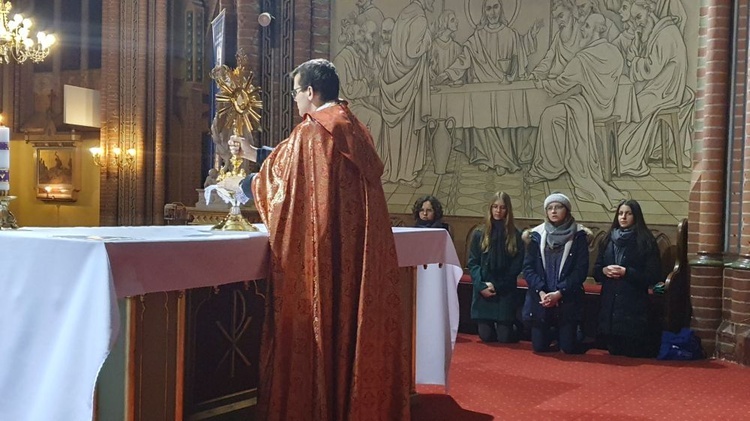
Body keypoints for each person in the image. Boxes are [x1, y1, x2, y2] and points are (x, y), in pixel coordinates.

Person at [227, 59, 409, 421]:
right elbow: (295, 165)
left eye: (296, 92)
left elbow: (282, 186)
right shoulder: (354, 127)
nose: (295, 100)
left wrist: (243, 184)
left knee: (320, 320)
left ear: (310, 92)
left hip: (322, 254)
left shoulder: (311, 131)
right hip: (354, 253)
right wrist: (255, 154)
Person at [528, 13, 626, 211]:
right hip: (606, 107)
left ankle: (547, 167)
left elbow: (560, 84)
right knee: (560, 112)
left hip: (587, 109)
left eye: (587, 26)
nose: (583, 29)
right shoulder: (616, 53)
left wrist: (541, 82)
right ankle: (555, 163)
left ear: (599, 30)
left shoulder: (584, 57)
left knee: (549, 114)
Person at [522, 193, 589, 354]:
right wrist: (542, 291)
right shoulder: (535, 235)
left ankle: (571, 334)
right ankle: (553, 333)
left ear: (566, 210)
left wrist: (559, 292)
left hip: (566, 298)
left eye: (558, 207)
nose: (553, 211)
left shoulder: (579, 235)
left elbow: (580, 271)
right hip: (542, 298)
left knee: (568, 348)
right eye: (550, 208)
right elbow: (528, 269)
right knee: (539, 348)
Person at [594, 199, 661, 357]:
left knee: (629, 351)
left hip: (633, 299)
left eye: (628, 213)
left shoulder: (645, 241)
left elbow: (653, 275)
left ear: (636, 216)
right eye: (620, 213)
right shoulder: (607, 239)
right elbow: (596, 270)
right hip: (610, 296)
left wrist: (627, 272)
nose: (623, 217)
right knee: (613, 350)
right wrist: (604, 270)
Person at [467, 192, 524, 343]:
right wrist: (481, 286)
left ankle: (514, 326)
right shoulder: (479, 233)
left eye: (502, 207)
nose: (498, 211)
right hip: (484, 288)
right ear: (490, 209)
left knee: (504, 338)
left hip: (504, 289)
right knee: (486, 336)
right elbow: (473, 263)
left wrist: (497, 286)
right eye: (495, 207)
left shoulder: (515, 234)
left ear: (508, 210)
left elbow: (516, 266)